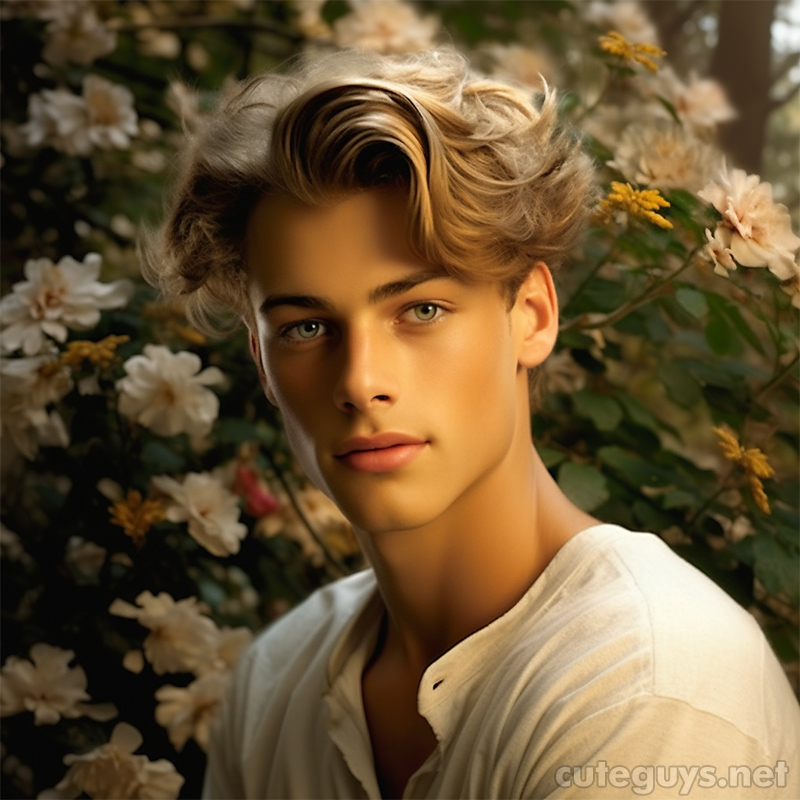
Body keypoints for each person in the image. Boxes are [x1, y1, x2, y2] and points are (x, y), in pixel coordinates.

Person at [142, 49, 800, 799]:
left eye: (420, 310)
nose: (360, 382)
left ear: (532, 316)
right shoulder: (274, 681)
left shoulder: (653, 683)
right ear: (260, 359)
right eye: (305, 328)